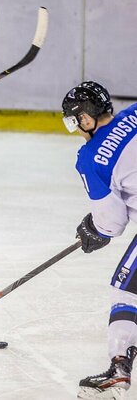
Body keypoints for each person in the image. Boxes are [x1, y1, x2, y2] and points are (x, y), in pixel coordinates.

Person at [62, 81, 137, 399]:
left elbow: (112, 223)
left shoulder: (91, 158)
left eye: (72, 121)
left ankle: (118, 370)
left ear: (85, 118)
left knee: (125, 292)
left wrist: (94, 229)